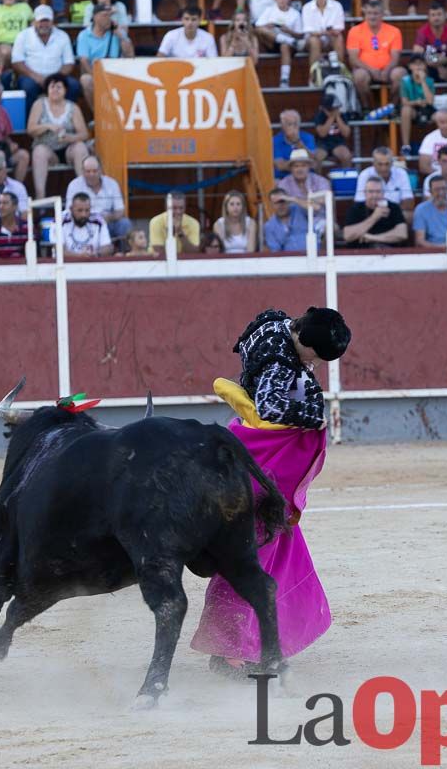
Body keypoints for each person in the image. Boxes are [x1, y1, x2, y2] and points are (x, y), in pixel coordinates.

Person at [190, 307, 349, 675]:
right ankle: (231, 652)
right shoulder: (279, 366)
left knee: (273, 543)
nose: (316, 366)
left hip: (243, 446)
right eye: (315, 357)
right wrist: (315, 417)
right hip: (259, 459)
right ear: (303, 341)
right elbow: (270, 407)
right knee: (256, 546)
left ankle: (247, 644)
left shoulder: (276, 324)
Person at [27, 73, 91, 200]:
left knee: (80, 147)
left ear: (65, 90)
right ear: (47, 89)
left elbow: (84, 134)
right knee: (39, 151)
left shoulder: (73, 107)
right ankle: (41, 198)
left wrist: (70, 138)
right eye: (52, 86)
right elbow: (31, 129)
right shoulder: (39, 104)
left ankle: (84, 193)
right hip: (48, 150)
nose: (55, 90)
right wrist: (47, 126)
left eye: (59, 87)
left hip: (68, 149)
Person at [11, 6, 78, 110]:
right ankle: (30, 123)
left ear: (52, 22)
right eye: (41, 21)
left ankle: (67, 119)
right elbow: (17, 62)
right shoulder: (23, 35)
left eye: (47, 21)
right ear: (34, 22)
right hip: (31, 77)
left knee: (73, 85)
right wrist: (36, 77)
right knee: (28, 87)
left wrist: (54, 79)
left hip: (56, 77)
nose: (44, 24)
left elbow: (69, 63)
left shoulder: (62, 36)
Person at [346, 0, 404, 109]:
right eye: (369, 13)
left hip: (388, 70)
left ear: (382, 15)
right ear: (365, 14)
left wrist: (386, 70)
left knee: (400, 74)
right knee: (359, 77)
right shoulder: (354, 31)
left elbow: (395, 58)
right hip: (364, 70)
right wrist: (371, 70)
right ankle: (368, 109)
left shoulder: (394, 31)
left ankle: (392, 108)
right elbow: (353, 59)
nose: (372, 17)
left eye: (376, 13)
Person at [65, 156, 130, 247]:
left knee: (124, 223)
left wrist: (108, 217)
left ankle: (123, 255)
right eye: (88, 171)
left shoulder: (112, 183)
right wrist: (89, 219)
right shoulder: (74, 185)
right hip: (83, 222)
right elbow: (69, 211)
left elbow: (120, 210)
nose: (91, 174)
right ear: (82, 171)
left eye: (95, 171)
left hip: (107, 222)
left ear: (101, 170)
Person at [77, 3, 130, 106]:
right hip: (95, 73)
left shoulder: (116, 32)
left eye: (110, 16)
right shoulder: (84, 35)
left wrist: (122, 37)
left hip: (116, 73)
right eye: (105, 15)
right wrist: (96, 77)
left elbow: (130, 56)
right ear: (95, 17)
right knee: (86, 80)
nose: (108, 19)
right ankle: (97, 116)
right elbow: (84, 60)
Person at [255, 0, 304, 88]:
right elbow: (258, 27)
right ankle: (286, 40)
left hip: (289, 45)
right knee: (260, 29)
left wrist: (289, 31)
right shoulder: (269, 10)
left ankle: (284, 79)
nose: (282, 0)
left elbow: (300, 35)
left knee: (285, 45)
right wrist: (268, 26)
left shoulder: (295, 14)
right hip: (272, 42)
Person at [340, 176, 408, 247]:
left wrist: (372, 238)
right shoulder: (355, 209)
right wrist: (374, 217)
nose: (374, 195)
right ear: (364, 193)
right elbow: (347, 236)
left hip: (390, 252)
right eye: (371, 191)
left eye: (378, 191)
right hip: (360, 253)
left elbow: (402, 234)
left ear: (383, 193)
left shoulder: (393, 207)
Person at [354, 146, 414, 215]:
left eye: (387, 164)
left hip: (395, 213)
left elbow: (409, 202)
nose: (384, 168)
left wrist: (390, 211)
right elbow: (359, 202)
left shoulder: (401, 173)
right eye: (380, 164)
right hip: (371, 213)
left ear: (392, 162)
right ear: (373, 163)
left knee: (409, 215)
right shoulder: (364, 175)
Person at [278, 149, 330, 226]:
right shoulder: (284, 183)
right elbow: (284, 205)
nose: (300, 169)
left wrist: (295, 200)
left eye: (303, 166)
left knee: (325, 226)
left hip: (318, 218)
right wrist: (311, 202)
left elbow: (323, 200)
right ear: (291, 169)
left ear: (309, 167)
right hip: (294, 221)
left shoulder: (320, 181)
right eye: (296, 166)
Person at [302, 0, 345, 66]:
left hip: (330, 39)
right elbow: (310, 32)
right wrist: (327, 32)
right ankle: (313, 76)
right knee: (314, 40)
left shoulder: (337, 6)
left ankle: (340, 71)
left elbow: (338, 30)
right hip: (312, 42)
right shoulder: (306, 7)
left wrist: (322, 32)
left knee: (338, 38)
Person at [413, 1, 447, 83]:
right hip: (428, 64)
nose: (436, 18)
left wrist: (443, 61)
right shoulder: (422, 31)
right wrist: (437, 64)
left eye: (439, 14)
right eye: (433, 15)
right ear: (428, 17)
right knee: (419, 67)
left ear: (445, 16)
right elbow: (416, 55)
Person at [399, 53, 435, 154]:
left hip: (428, 109)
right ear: (410, 66)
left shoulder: (429, 81)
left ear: (425, 66)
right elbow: (404, 102)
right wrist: (417, 102)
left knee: (442, 116)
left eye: (421, 63)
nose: (418, 66)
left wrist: (423, 81)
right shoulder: (405, 81)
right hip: (414, 109)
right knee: (405, 110)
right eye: (415, 64)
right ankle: (406, 146)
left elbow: (430, 101)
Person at [57, 192, 113, 257]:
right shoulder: (60, 220)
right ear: (71, 209)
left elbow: (107, 247)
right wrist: (79, 257)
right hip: (67, 265)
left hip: (93, 263)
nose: (84, 214)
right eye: (79, 210)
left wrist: (96, 254)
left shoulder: (98, 220)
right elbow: (58, 251)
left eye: (87, 210)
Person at [148, 191, 200, 256]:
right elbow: (159, 251)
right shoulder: (156, 222)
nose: (178, 212)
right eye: (174, 208)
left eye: (181, 208)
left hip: (185, 263)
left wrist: (180, 232)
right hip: (158, 263)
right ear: (166, 207)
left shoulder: (193, 223)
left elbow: (193, 252)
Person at [0, 190, 29, 259]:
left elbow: (30, 256)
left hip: (23, 268)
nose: (1, 206)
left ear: (15, 206)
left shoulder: (27, 227)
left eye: (5, 203)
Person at [262, 188, 312, 252]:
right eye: (276, 203)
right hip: (291, 260)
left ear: (288, 201)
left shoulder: (298, 209)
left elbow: (316, 207)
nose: (280, 206)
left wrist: (293, 199)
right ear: (271, 205)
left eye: (282, 201)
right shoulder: (269, 226)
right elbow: (275, 252)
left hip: (313, 255)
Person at [272, 109, 317, 178]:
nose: (293, 127)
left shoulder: (308, 137)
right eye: (289, 124)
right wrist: (303, 165)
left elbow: (314, 162)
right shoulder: (275, 140)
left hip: (307, 177)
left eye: (295, 124)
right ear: (282, 126)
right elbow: (280, 166)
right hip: (283, 178)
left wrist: (298, 143)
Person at [312, 97, 353, 168]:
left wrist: (338, 118)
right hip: (322, 143)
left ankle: (345, 177)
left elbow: (346, 134)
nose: (334, 111)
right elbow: (322, 133)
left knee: (346, 156)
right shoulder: (319, 116)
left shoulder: (342, 116)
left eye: (336, 109)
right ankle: (316, 178)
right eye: (331, 109)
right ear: (323, 109)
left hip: (338, 143)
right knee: (316, 157)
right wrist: (331, 118)